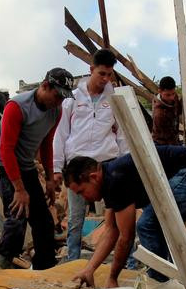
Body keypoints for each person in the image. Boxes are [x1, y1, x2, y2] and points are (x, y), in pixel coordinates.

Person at [62, 146, 186, 288]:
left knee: (148, 225)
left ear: (94, 177)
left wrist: (112, 277)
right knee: (158, 226)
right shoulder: (109, 180)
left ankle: (161, 284)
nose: (84, 198)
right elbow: (111, 232)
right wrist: (89, 270)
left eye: (82, 191)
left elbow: (126, 237)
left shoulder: (115, 180)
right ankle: (174, 280)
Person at [0, 68, 74, 270]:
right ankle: (3, 266)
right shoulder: (16, 107)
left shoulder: (56, 111)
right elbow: (6, 149)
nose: (59, 102)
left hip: (25, 165)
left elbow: (46, 144)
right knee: (17, 215)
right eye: (57, 96)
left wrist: (51, 180)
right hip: (2, 163)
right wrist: (19, 189)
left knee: (43, 220)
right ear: (45, 86)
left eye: (63, 98)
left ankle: (45, 268)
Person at [53, 49, 129, 261]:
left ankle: (120, 259)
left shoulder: (114, 99)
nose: (105, 79)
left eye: (109, 75)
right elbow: (60, 134)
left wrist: (125, 162)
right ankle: (74, 261)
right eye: (101, 74)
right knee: (76, 218)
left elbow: (122, 132)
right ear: (91, 69)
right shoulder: (72, 99)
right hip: (77, 167)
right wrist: (57, 167)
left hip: (106, 164)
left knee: (116, 215)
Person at [151, 76, 183, 145]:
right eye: (167, 95)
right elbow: (168, 139)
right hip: (162, 143)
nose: (171, 97)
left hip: (174, 138)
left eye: (173, 93)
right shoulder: (159, 114)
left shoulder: (174, 97)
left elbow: (180, 110)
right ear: (160, 91)